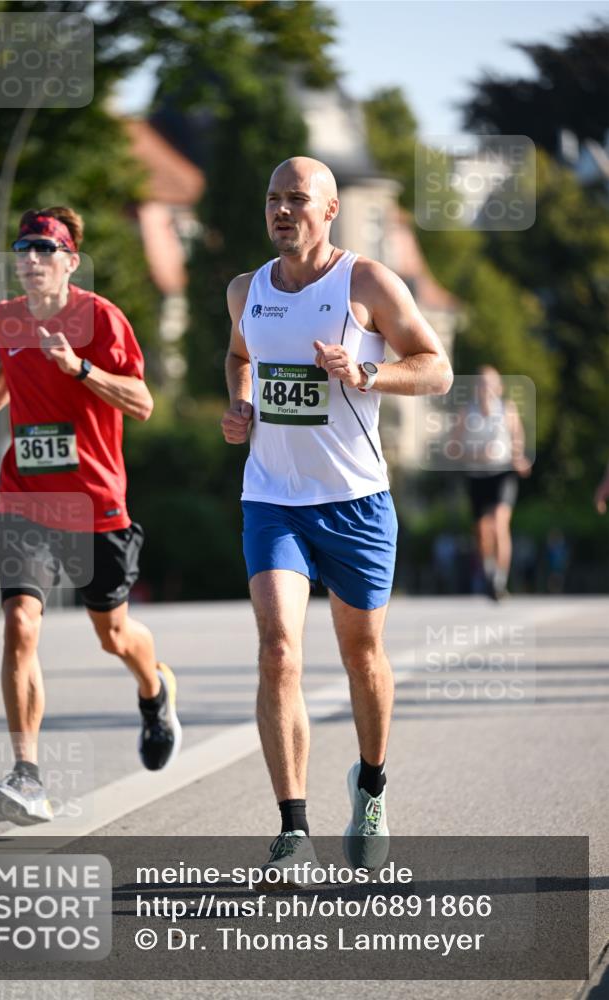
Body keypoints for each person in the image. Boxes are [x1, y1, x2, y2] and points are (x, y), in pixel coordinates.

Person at [221, 157, 453, 884]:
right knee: (278, 651)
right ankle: (293, 831)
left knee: (361, 658)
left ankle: (373, 788)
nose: (282, 211)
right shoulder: (244, 290)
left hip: (353, 500)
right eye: (272, 200)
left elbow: (436, 367)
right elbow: (238, 356)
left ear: (329, 211)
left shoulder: (368, 283)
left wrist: (364, 373)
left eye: (297, 200)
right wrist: (241, 403)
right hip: (272, 498)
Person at [0, 206, 181, 825]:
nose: (31, 259)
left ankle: (154, 690)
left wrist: (78, 366)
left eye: (45, 249)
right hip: (27, 501)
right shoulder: (6, 319)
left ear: (71, 261)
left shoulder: (101, 319)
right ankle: (28, 777)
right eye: (24, 249)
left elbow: (143, 402)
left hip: (98, 502)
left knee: (115, 636)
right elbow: (7, 371)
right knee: (19, 623)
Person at [457, 366, 531, 601]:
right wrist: (475, 453)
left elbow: (517, 436)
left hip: (502, 473)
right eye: (481, 383)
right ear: (476, 388)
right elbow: (454, 447)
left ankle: (499, 580)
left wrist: (518, 456)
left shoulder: (507, 410)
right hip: (477, 476)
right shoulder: (466, 413)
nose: (485, 388)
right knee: (481, 531)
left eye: (490, 383)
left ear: (499, 387)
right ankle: (488, 569)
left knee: (499, 524)